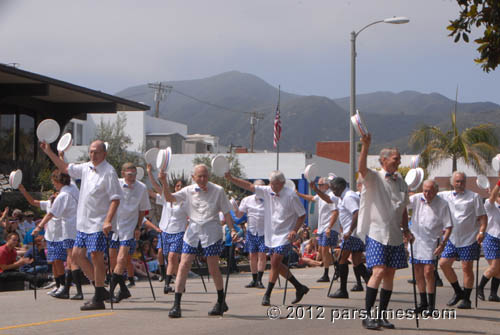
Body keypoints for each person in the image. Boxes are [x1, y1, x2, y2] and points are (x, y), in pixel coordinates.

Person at [40, 140, 122, 310]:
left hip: (99, 223)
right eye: (91, 151)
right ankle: (100, 289)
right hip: (83, 223)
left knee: (96, 256)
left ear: (104, 154)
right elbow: (65, 168)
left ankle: (98, 297)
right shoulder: (86, 168)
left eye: (97, 152)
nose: (93, 155)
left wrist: (107, 220)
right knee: (77, 255)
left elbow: (115, 199)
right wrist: (49, 152)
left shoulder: (109, 172)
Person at [161, 164, 237, 318]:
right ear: (193, 177)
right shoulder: (188, 190)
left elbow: (227, 212)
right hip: (193, 230)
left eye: (205, 176)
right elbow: (170, 198)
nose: (202, 179)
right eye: (199, 176)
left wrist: (233, 230)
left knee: (212, 267)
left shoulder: (218, 190)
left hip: (212, 230)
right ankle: (176, 304)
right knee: (183, 264)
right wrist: (163, 182)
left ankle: (221, 300)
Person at [226, 170, 309, 307]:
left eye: (275, 184)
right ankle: (299, 287)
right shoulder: (267, 191)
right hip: (271, 233)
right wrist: (231, 178)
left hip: (286, 234)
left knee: (275, 261)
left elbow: (302, 214)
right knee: (277, 264)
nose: (272, 187)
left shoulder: (291, 195)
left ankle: (267, 295)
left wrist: (294, 230)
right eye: (271, 184)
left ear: (282, 183)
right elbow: (249, 186)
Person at [357, 133, 412, 330]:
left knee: (389, 274)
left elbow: (403, 208)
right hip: (376, 232)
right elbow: (361, 168)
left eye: (399, 159)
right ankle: (367, 315)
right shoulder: (374, 177)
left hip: (395, 235)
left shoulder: (401, 181)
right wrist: (365, 146)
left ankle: (381, 316)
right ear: (383, 160)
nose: (398, 161)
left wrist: (406, 230)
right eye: (396, 158)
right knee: (378, 271)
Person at [438, 171, 487, 309]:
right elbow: (428, 194)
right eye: (457, 181)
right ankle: (458, 291)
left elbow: (483, 217)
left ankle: (466, 299)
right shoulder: (444, 195)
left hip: (469, 238)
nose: (460, 184)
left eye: (462, 181)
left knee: (467, 268)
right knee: (443, 264)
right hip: (452, 238)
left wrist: (482, 231)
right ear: (452, 182)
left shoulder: (474, 197)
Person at [32, 170, 83, 300]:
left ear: (59, 181)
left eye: (54, 182)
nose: (54, 185)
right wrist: (61, 155)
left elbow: (50, 214)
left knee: (72, 260)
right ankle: (68, 289)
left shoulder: (62, 195)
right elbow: (65, 169)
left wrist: (38, 227)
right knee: (73, 260)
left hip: (69, 229)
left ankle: (74, 291)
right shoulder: (73, 188)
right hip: (79, 226)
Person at [407, 179, 453, 314]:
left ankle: (431, 306)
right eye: (425, 190)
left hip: (432, 242)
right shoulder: (416, 199)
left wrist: (443, 244)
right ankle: (423, 303)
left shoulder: (442, 204)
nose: (427, 193)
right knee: (418, 272)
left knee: (428, 272)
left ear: (436, 191)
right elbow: (401, 206)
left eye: (430, 191)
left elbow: (449, 226)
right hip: (416, 240)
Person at [108, 162, 151, 303]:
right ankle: (123, 289)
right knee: (113, 259)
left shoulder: (141, 188)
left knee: (122, 259)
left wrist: (138, 227)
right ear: (123, 173)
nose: (132, 176)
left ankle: (112, 292)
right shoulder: (116, 184)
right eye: (129, 173)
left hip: (129, 228)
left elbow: (142, 210)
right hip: (115, 227)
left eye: (134, 173)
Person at [322, 177, 368, 298]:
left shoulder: (348, 197)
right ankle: (370, 282)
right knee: (357, 261)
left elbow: (356, 213)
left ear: (340, 186)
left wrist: (349, 231)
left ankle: (343, 290)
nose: (333, 191)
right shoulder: (343, 197)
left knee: (342, 260)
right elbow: (328, 199)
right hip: (355, 234)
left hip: (352, 234)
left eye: (333, 189)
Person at [18, 186, 66, 297]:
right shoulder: (48, 203)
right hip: (50, 237)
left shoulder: (63, 204)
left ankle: (63, 285)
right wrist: (23, 190)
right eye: (55, 193)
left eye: (58, 193)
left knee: (58, 262)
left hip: (60, 237)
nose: (55, 194)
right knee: (53, 263)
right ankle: (58, 285)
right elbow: (32, 201)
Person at [147, 164, 188, 294]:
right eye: (177, 186)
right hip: (165, 230)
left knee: (172, 257)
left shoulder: (186, 201)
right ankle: (177, 278)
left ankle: (166, 283)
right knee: (162, 254)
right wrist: (149, 173)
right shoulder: (166, 198)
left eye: (181, 186)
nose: (179, 188)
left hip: (178, 232)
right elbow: (156, 188)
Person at [296, 177, 338, 283]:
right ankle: (337, 267)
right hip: (322, 227)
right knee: (323, 250)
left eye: (320, 185)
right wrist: (299, 194)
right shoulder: (321, 195)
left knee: (324, 249)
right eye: (318, 185)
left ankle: (327, 273)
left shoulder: (331, 195)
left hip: (329, 228)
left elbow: (335, 212)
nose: (318, 187)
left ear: (326, 185)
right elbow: (311, 198)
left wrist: (329, 227)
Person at [233, 180, 268, 288]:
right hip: (252, 231)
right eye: (257, 187)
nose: (259, 189)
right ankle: (254, 279)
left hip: (264, 232)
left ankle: (260, 280)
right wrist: (234, 206)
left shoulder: (269, 200)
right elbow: (239, 215)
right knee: (252, 255)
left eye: (262, 187)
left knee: (262, 255)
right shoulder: (247, 200)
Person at [477, 177, 500, 302]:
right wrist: (499, 182)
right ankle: (480, 287)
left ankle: (493, 294)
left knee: (498, 269)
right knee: (494, 267)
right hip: (492, 238)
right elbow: (493, 196)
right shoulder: (489, 205)